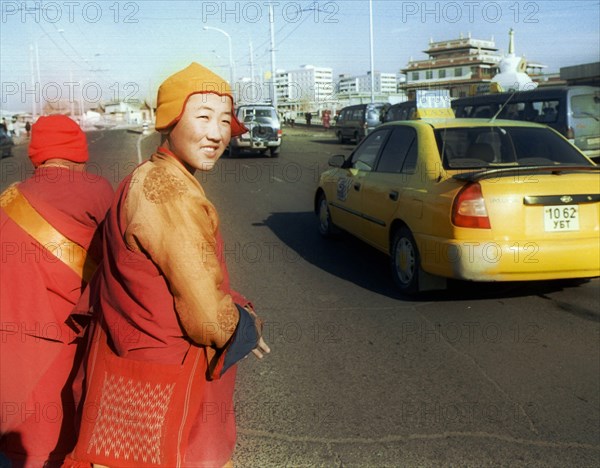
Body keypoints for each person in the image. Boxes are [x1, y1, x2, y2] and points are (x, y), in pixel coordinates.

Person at [63, 63, 270, 468]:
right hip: (167, 380)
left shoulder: (146, 176)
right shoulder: (167, 190)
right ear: (170, 122)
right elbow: (207, 320)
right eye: (203, 117)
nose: (216, 133)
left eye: (225, 121)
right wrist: (245, 325)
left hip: (130, 369)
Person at [0, 115, 114, 467]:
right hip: (68, 343)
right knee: (64, 440)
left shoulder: (8, 200)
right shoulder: (98, 191)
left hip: (11, 349)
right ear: (79, 152)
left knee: (22, 445)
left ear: (36, 154)